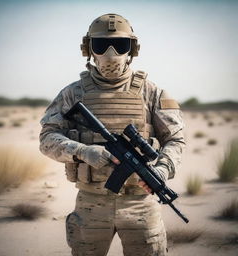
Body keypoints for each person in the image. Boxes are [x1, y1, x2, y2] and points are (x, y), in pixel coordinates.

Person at [39, 13, 185, 256]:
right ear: (89, 49)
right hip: (91, 204)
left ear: (132, 49)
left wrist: (162, 169)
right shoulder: (72, 94)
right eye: (101, 45)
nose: (111, 53)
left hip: (140, 204)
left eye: (119, 45)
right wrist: (82, 152)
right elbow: (47, 139)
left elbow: (175, 139)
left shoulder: (152, 92)